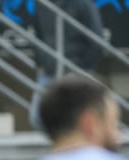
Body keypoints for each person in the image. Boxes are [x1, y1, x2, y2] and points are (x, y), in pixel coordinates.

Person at [28, 0, 103, 131]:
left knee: (79, 117)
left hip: (76, 71)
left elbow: (96, 40)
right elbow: (38, 35)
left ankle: (77, 147)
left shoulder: (82, 4)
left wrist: (83, 68)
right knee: (37, 117)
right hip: (49, 71)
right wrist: (40, 63)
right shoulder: (42, 4)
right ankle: (60, 146)